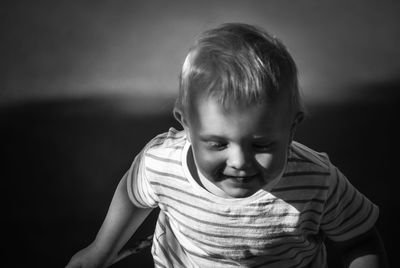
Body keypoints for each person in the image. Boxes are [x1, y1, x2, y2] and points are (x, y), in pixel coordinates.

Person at [66, 23, 387, 268]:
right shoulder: (162, 163)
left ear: (292, 128)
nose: (240, 161)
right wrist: (102, 248)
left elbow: (359, 241)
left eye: (260, 144)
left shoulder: (316, 182)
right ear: (186, 124)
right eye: (218, 143)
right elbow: (135, 195)